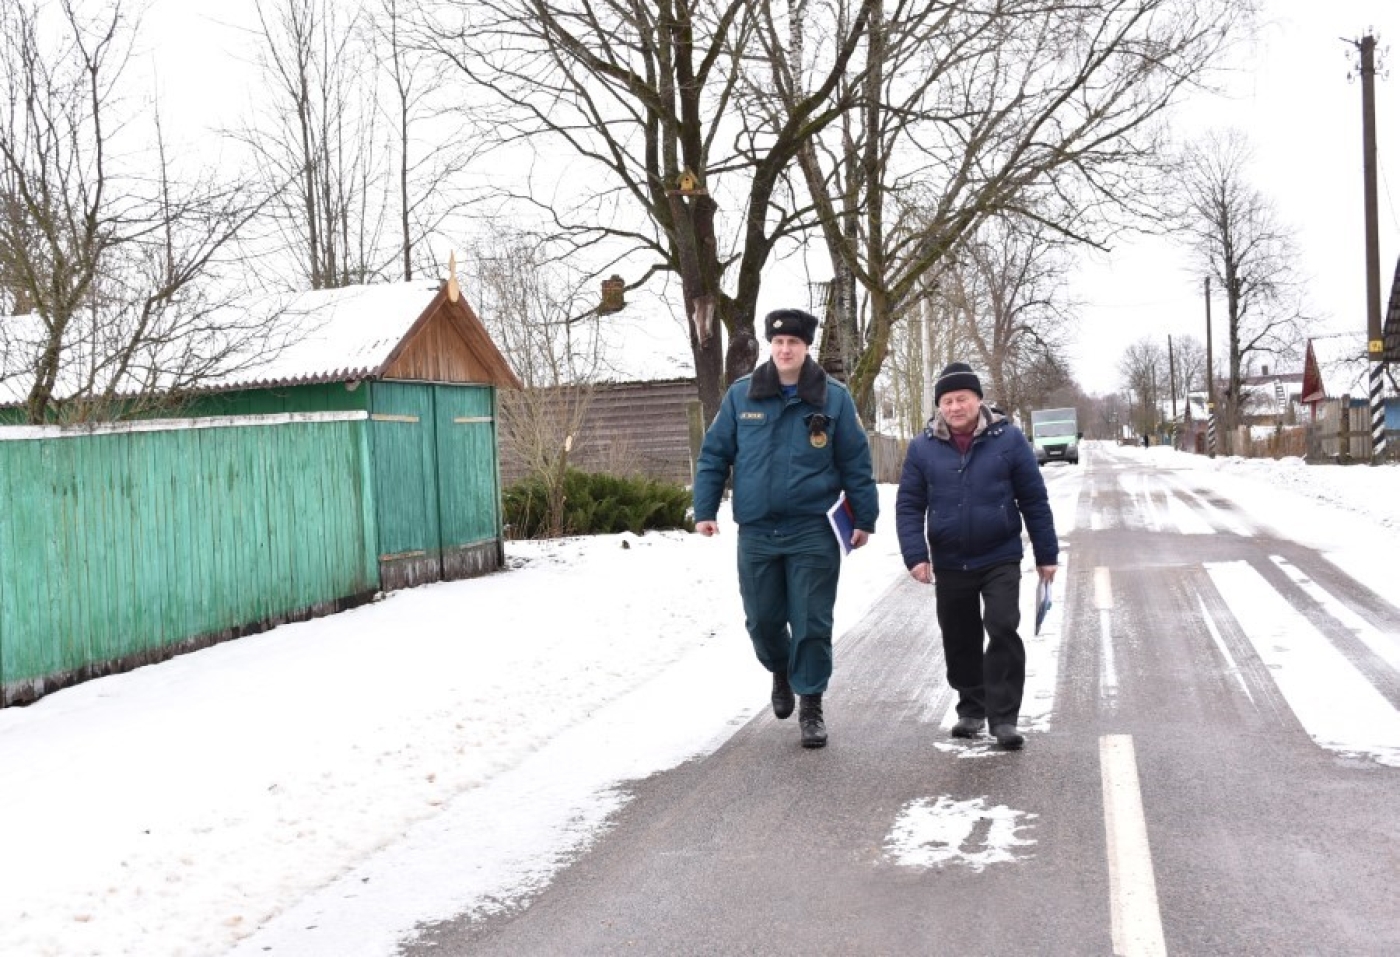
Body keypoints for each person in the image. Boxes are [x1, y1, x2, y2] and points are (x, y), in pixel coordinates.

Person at [693, 308, 879, 749]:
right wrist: (705, 508)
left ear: (806, 347)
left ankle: (811, 703)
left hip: (813, 529)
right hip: (757, 531)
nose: (784, 349)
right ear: (769, 346)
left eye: (793, 343)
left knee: (812, 621)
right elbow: (714, 454)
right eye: (777, 343)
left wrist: (865, 518)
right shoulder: (743, 396)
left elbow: (856, 461)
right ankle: (781, 670)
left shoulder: (833, 398)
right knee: (763, 620)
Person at [894, 362, 1058, 750]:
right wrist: (916, 555)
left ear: (978, 400)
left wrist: (1046, 553)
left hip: (999, 554)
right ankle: (971, 708)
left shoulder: (1010, 440)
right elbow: (909, 506)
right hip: (950, 559)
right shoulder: (922, 448)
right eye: (947, 401)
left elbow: (1034, 499)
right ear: (939, 407)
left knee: (1002, 626)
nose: (954, 407)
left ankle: (1004, 718)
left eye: (962, 399)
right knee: (959, 635)